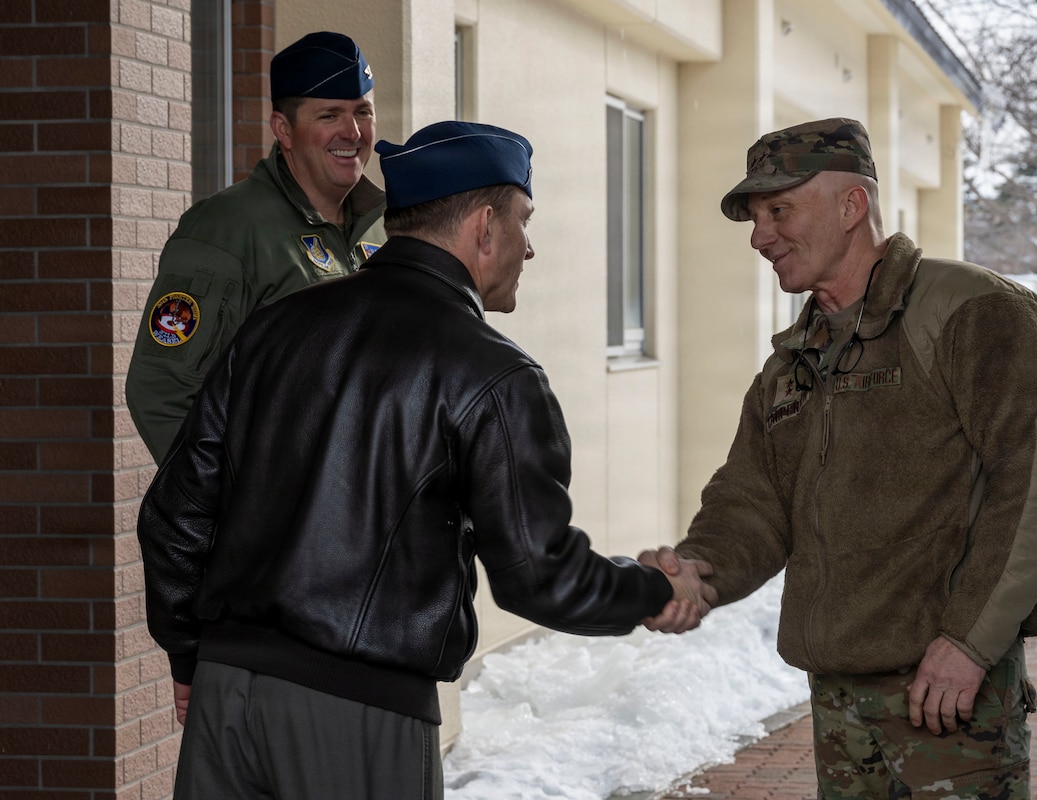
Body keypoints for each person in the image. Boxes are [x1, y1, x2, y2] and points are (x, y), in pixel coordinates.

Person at [137, 120, 717, 800]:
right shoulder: (496, 375)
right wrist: (654, 591)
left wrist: (190, 654)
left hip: (225, 701)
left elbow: (175, 519)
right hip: (358, 712)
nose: (529, 248)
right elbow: (537, 574)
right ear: (482, 227)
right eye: (524, 220)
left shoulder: (272, 330)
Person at [641, 118, 1037, 798]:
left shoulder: (974, 311)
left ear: (852, 207)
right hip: (840, 703)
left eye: (779, 210)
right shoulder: (791, 365)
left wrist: (969, 641)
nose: (761, 237)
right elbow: (751, 504)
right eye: (755, 218)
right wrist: (697, 574)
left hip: (948, 700)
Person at [126, 30, 388, 463]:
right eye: (330, 116)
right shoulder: (227, 228)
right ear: (283, 129)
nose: (354, 132)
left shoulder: (383, 227)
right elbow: (160, 388)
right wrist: (231, 510)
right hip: (281, 521)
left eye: (363, 111)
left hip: (363, 511)